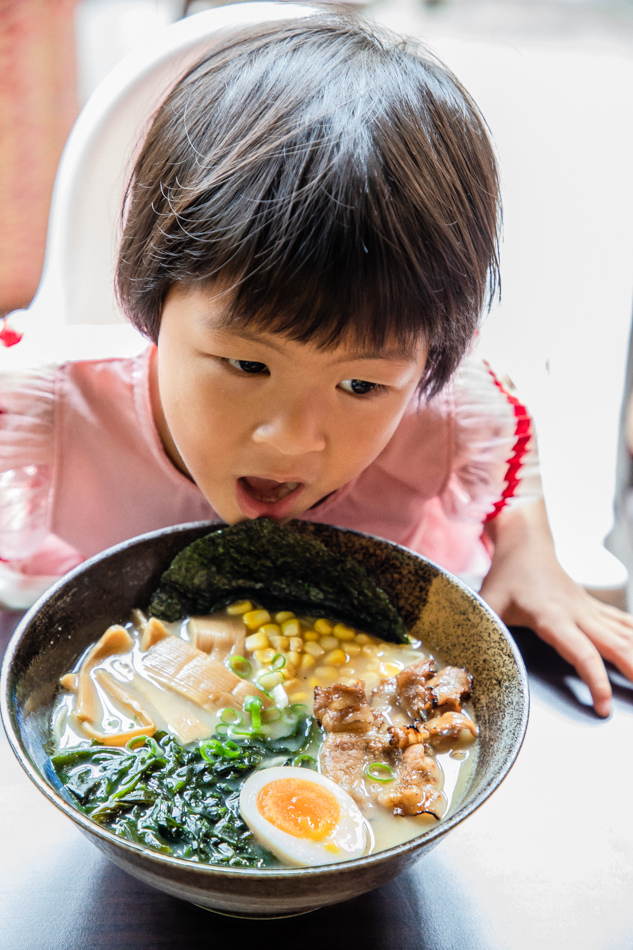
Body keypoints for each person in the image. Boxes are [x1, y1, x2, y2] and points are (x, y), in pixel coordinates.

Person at [2, 13, 632, 717]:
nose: (296, 438)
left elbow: (499, 411)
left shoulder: (439, 417)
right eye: (245, 365)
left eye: (361, 385)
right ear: (148, 300)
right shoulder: (45, 415)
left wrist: (527, 548)